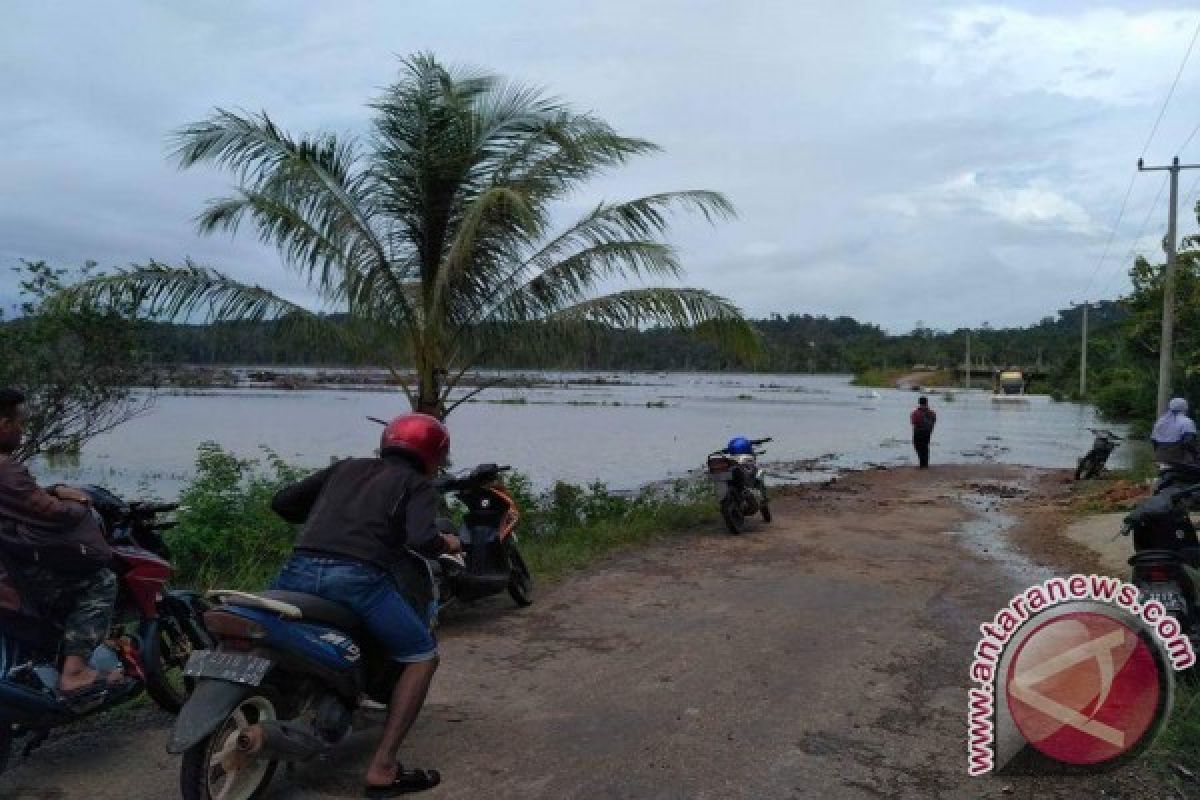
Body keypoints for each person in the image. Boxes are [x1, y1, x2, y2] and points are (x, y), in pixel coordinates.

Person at [268, 412, 462, 796]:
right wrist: (449, 544)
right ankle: (383, 767)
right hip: (357, 579)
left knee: (275, 630)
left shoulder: (346, 468)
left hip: (299, 569)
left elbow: (283, 503)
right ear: (434, 454)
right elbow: (422, 539)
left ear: (388, 441)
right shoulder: (418, 484)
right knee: (422, 656)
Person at [0, 388, 125, 701]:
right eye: (18, 422)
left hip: (8, 560)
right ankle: (75, 672)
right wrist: (81, 503)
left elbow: (23, 501)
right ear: (3, 424)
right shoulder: (5, 467)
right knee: (101, 581)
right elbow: (52, 514)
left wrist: (52, 487)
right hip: (12, 573)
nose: (22, 429)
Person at [1151, 397, 1199, 465]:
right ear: (1185, 408)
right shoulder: (1187, 421)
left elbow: (1153, 441)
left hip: (1159, 458)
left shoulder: (1160, 421)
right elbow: (1189, 442)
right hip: (1178, 459)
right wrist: (1196, 454)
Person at [910, 396, 937, 469]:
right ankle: (925, 464)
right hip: (928, 432)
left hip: (918, 432)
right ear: (927, 402)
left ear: (919, 402)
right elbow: (934, 422)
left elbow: (913, 422)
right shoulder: (932, 413)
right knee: (925, 447)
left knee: (918, 447)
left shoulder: (915, 413)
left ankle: (922, 464)